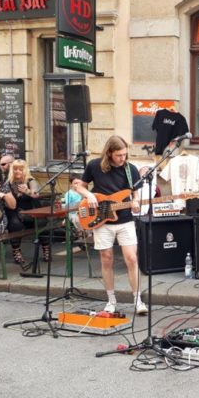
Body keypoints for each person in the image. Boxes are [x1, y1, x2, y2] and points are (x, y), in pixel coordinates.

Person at [75, 135, 148, 315]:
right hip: (102, 220)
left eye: (124, 154)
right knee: (106, 259)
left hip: (125, 219)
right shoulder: (94, 165)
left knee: (131, 258)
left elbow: (135, 194)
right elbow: (80, 187)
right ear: (109, 153)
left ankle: (138, 300)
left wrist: (137, 201)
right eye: (119, 155)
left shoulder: (131, 170)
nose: (123, 158)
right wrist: (89, 195)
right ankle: (111, 300)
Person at [7, 159, 48, 266]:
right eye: (15, 169)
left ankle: (46, 249)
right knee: (14, 224)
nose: (18, 171)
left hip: (31, 210)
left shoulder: (30, 180)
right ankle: (16, 251)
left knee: (41, 222)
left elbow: (36, 194)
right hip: (17, 210)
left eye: (20, 169)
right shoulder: (9, 182)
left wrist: (27, 191)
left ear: (25, 170)